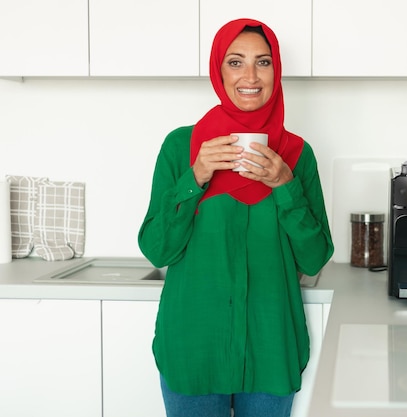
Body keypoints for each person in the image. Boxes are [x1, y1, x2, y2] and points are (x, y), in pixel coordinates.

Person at [138, 18, 334, 417]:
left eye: (263, 62)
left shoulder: (297, 154)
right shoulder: (182, 147)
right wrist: (196, 177)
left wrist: (285, 184)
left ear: (276, 71)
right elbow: (157, 249)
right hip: (194, 344)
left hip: (270, 346)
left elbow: (314, 257)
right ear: (218, 69)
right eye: (235, 62)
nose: (250, 76)